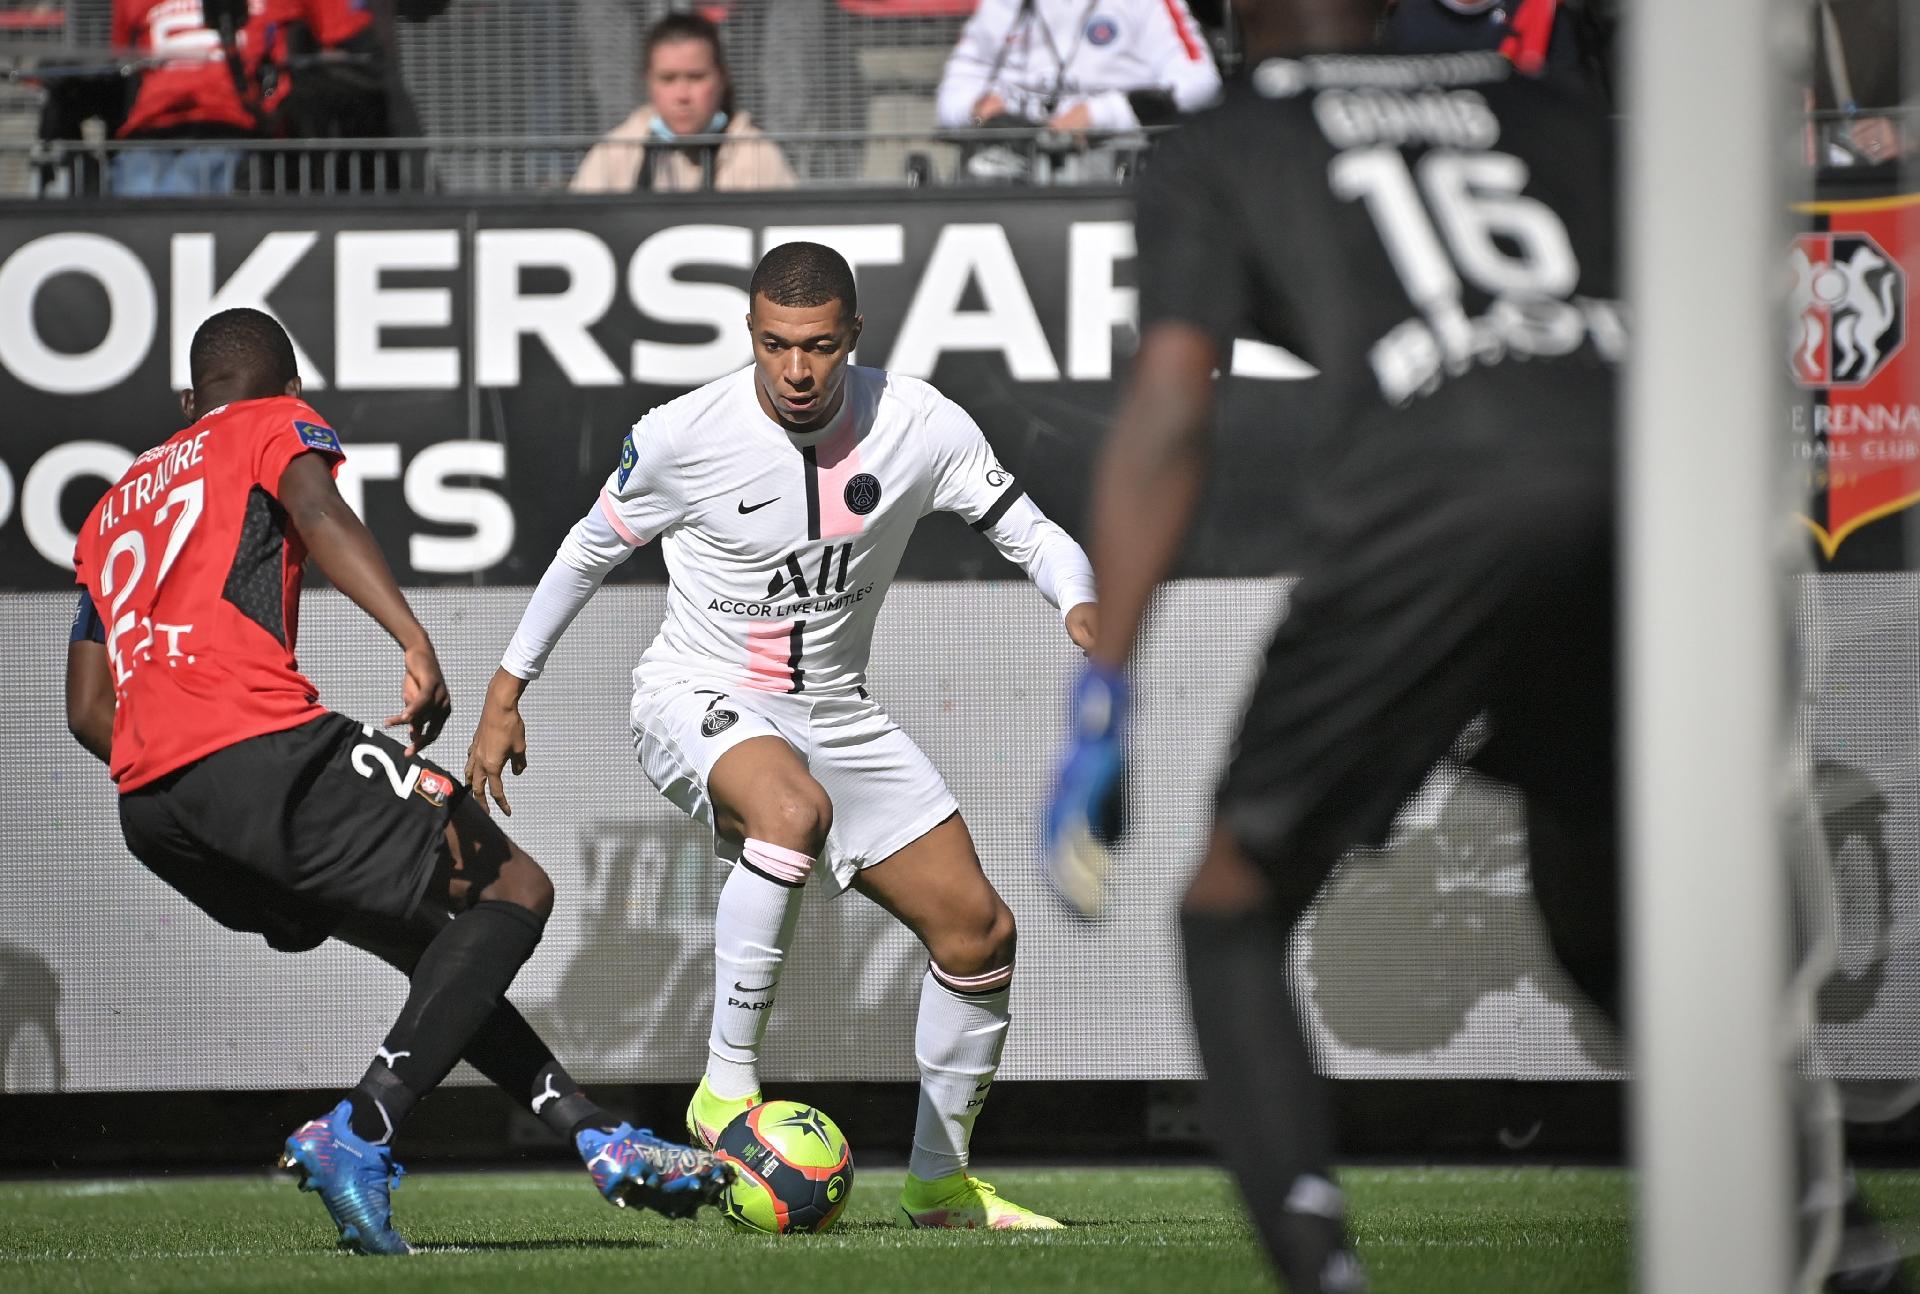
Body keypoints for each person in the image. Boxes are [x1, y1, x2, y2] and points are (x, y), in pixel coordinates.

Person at [1043, 1, 1622, 1288]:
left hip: (1439, 496)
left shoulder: (1226, 142)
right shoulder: (1555, 109)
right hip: (1639, 479)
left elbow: (1166, 419)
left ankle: (1322, 1267)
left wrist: (1107, 684)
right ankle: (1819, 1214)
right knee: (1607, 927)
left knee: (1230, 906)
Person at [66, 307, 728, 1256]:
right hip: (258, 750)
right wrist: (413, 641)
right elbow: (318, 509)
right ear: (288, 390)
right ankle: (362, 1129)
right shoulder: (270, 424)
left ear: (186, 401)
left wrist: (182, 769)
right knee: (516, 888)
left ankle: (593, 1133)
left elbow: (87, 708)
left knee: (439, 946)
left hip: (155, 809)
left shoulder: (110, 506)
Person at [466, 242, 1096, 1231]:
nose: (796, 370)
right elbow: (586, 549)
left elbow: (1027, 528)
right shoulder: (685, 433)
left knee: (979, 931)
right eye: (774, 344)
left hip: (836, 708)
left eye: (817, 347)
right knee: (790, 811)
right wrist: (507, 690)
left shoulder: (920, 423)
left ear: (853, 337)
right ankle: (723, 1092)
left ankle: (940, 1183)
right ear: (750, 334)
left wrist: (1081, 603)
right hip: (696, 692)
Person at [570, 12, 797, 194]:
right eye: (667, 79)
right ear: (647, 82)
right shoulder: (615, 152)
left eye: (696, 77)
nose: (682, 95)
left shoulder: (756, 153)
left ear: (722, 79)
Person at [935, 0, 1222, 134]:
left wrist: (1099, 115)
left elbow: (1200, 82)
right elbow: (954, 91)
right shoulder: (1002, 4)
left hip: (1114, 159)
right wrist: (976, 109)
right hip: (1014, 155)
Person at [109, 0, 272, 195]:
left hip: (224, 124)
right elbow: (121, 61)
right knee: (137, 206)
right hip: (149, 126)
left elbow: (285, 58)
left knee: (183, 200)